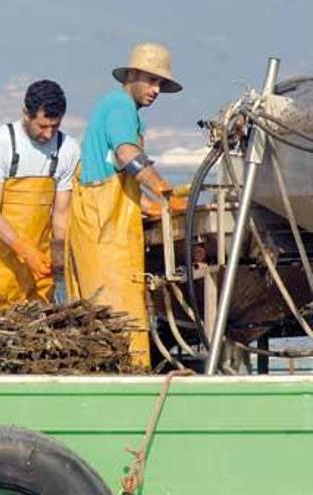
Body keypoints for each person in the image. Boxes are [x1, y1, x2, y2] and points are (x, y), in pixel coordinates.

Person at [65, 42, 187, 370]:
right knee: (117, 310)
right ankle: (128, 375)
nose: (155, 89)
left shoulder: (120, 110)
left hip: (107, 224)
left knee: (104, 312)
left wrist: (149, 206)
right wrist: (164, 191)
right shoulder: (120, 106)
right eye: (150, 80)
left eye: (160, 84)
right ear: (131, 74)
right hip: (104, 231)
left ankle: (117, 371)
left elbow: (117, 180)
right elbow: (126, 156)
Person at [0, 79, 80, 313]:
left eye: (55, 126)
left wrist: (59, 259)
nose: (48, 134)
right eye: (42, 126)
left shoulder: (68, 149)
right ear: (26, 113)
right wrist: (26, 252)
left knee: (38, 325)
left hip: (38, 266)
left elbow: (61, 215)